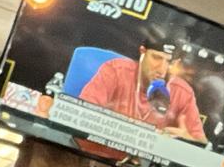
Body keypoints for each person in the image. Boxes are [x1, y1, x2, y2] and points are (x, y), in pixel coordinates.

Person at [77, 41, 207, 141]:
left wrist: (186, 141)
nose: (161, 69)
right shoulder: (116, 70)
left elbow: (201, 144)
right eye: (156, 58)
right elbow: (83, 114)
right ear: (142, 52)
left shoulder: (183, 92)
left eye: (169, 62)